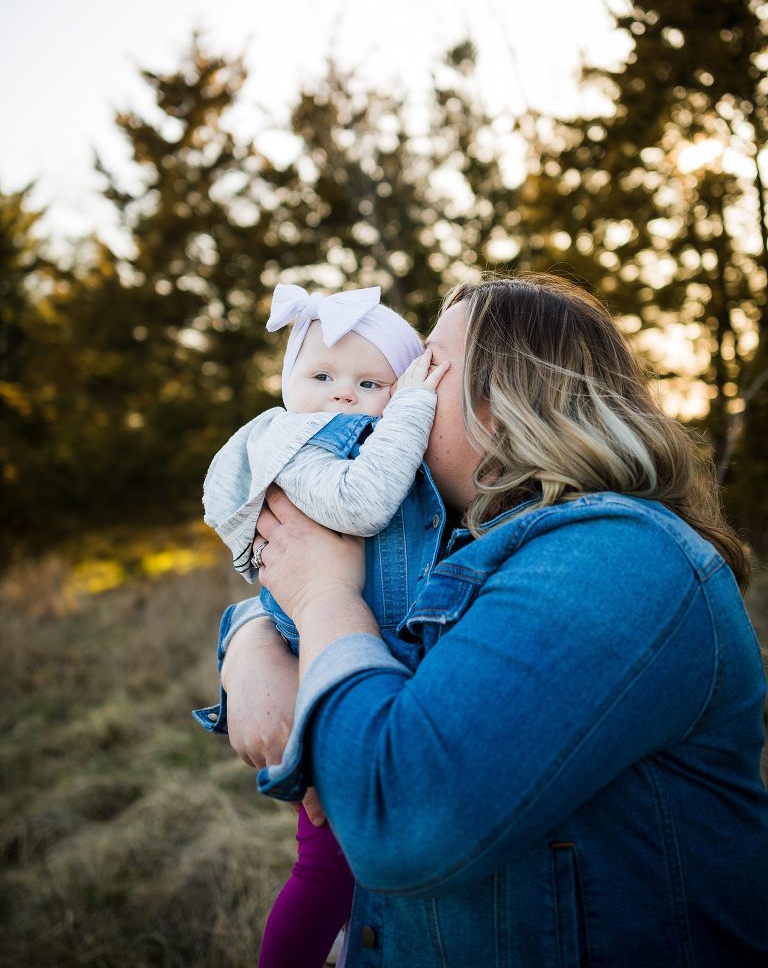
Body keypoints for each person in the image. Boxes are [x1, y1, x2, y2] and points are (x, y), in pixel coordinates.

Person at [221, 273, 768, 967]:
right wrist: (252, 636)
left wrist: (323, 598)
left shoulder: (620, 557)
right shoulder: (469, 540)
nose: (398, 385)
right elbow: (366, 611)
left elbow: (402, 818)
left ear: (505, 402)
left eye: (429, 364)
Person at [194, 282, 449, 968]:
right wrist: (414, 405)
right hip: (328, 676)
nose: (342, 394)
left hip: (368, 664)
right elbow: (363, 503)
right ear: (287, 385)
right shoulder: (301, 444)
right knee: (329, 866)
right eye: (322, 376)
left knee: (358, 868)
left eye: (369, 381)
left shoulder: (367, 441)